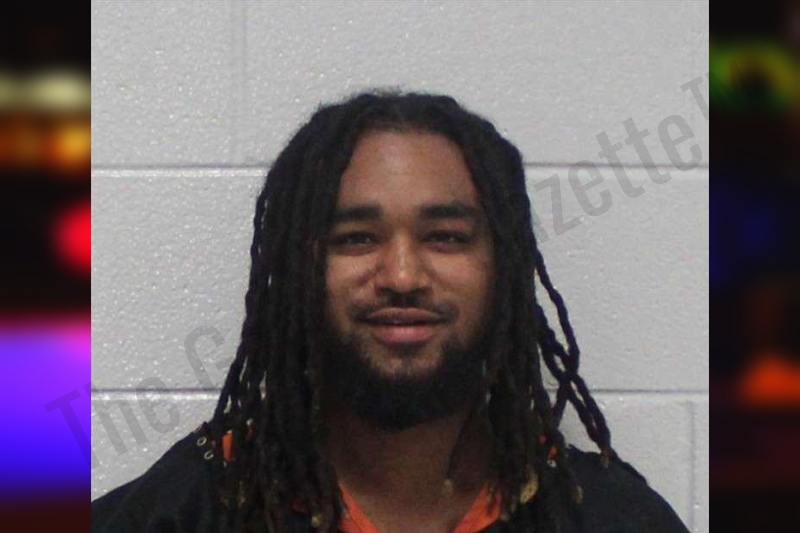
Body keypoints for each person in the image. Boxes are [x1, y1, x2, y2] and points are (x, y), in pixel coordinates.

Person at [92, 91, 689, 533]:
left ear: (503, 269)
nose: (402, 276)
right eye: (356, 239)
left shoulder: (608, 517)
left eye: (446, 238)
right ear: (299, 270)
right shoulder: (189, 512)